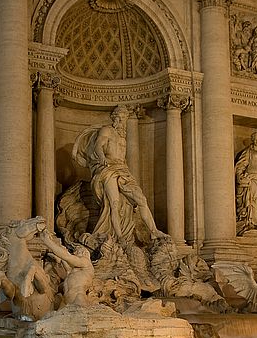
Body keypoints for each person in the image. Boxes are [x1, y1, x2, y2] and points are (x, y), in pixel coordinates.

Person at [72, 104, 167, 250]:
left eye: (125, 118)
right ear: (115, 118)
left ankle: (154, 231)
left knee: (141, 199)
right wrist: (101, 157)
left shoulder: (123, 137)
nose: (123, 122)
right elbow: (98, 145)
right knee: (113, 204)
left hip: (123, 170)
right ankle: (119, 237)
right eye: (121, 118)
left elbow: (123, 158)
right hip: (108, 169)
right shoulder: (107, 131)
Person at [39, 230, 96, 308]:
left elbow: (67, 257)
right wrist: (57, 248)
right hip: (66, 300)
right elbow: (66, 264)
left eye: (77, 252)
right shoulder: (75, 271)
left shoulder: (86, 263)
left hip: (78, 299)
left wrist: (47, 241)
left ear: (84, 253)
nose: (75, 254)